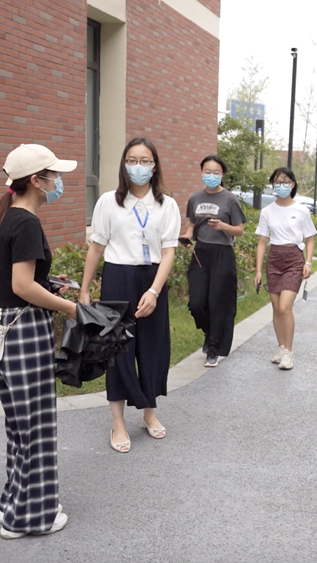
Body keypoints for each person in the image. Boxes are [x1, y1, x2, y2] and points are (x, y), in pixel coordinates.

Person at [0, 143, 77, 539]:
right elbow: (22, 285)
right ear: (37, 181)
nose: (59, 182)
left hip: (4, 329)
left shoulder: (5, 218)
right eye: (53, 175)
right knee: (37, 425)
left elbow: (10, 279)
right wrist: (71, 307)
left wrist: (49, 284)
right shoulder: (26, 223)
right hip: (25, 331)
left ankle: (15, 503)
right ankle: (31, 518)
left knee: (20, 427)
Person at [81, 137, 181, 453]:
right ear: (124, 164)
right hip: (117, 278)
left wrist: (154, 290)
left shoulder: (168, 204)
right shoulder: (109, 202)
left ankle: (150, 413)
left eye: (145, 160)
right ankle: (118, 422)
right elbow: (97, 246)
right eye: (132, 160)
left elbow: (168, 252)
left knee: (153, 347)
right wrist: (84, 288)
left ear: (155, 166)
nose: (138, 166)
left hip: (151, 279)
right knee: (117, 350)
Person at [184, 155, 246, 368]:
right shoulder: (195, 198)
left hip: (223, 253)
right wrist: (186, 235)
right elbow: (192, 225)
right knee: (197, 302)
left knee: (218, 302)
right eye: (207, 172)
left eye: (216, 173)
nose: (211, 176)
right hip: (201, 252)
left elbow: (239, 229)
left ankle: (214, 349)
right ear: (201, 172)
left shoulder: (230, 199)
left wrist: (223, 227)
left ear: (222, 175)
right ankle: (209, 332)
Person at [253, 167, 317, 370]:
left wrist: (308, 262)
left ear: (293, 184)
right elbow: (262, 242)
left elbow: (310, 240)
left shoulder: (301, 210)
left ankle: (288, 352)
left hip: (294, 260)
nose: (281, 186)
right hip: (274, 259)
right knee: (275, 308)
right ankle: (280, 347)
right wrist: (258, 271)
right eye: (277, 182)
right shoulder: (267, 211)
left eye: (285, 182)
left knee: (284, 307)